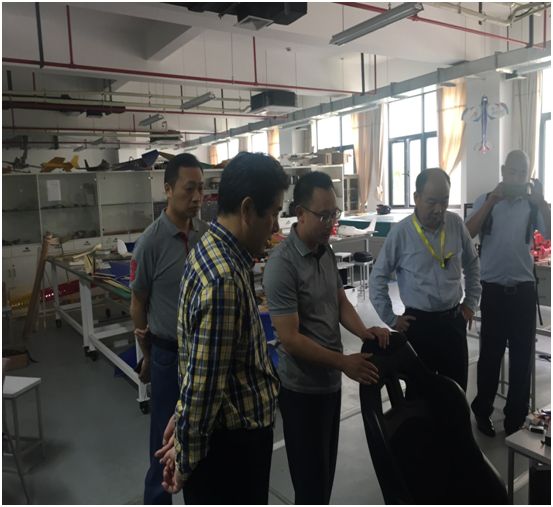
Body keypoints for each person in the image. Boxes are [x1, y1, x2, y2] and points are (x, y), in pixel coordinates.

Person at [158, 152, 289, 504]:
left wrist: (180, 420)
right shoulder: (224, 279)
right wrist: (185, 459)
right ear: (247, 209)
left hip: (224, 441)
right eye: (273, 213)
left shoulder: (208, 248)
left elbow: (199, 361)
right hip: (232, 452)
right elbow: (204, 387)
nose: (276, 227)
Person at [263, 171, 389, 504]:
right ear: (300, 213)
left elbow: (340, 301)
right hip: (301, 391)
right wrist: (343, 362)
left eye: (334, 214)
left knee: (324, 478)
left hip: (329, 384)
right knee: (310, 485)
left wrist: (365, 332)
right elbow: (290, 339)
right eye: (324, 216)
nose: (331, 223)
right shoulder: (282, 264)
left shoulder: (324, 251)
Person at [129, 153, 208, 504]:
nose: (197, 197)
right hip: (168, 354)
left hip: (202, 354)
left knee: (200, 437)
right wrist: (147, 355)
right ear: (168, 189)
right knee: (163, 442)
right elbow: (137, 302)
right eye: (189, 189)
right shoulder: (150, 242)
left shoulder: (206, 235)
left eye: (201, 189)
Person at [369, 168, 481, 392]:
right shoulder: (401, 233)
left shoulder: (455, 224)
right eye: (431, 202)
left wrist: (470, 303)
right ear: (416, 198)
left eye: (444, 200)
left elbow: (472, 263)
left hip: (453, 322)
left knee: (456, 393)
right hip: (419, 325)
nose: (439, 209)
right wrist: (391, 319)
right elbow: (377, 278)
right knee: (420, 394)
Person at [468, 150, 551, 437]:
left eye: (522, 172)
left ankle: (515, 418)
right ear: (503, 171)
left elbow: (550, 234)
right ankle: (482, 411)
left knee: (522, 358)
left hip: (523, 292)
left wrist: (542, 202)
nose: (516, 177)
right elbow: (468, 232)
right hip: (493, 292)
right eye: (512, 171)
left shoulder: (532, 206)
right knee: (490, 355)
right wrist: (492, 200)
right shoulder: (485, 200)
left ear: (528, 175)